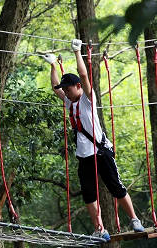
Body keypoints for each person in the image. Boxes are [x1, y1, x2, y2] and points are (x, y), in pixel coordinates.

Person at [43, 39, 145, 240]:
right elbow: (56, 88)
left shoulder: (88, 99)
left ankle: (134, 219)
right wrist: (53, 65)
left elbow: (83, 74)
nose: (66, 92)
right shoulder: (69, 103)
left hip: (100, 152)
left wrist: (77, 52)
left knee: (116, 187)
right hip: (84, 156)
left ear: (78, 87)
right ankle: (100, 228)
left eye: (69, 89)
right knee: (89, 194)